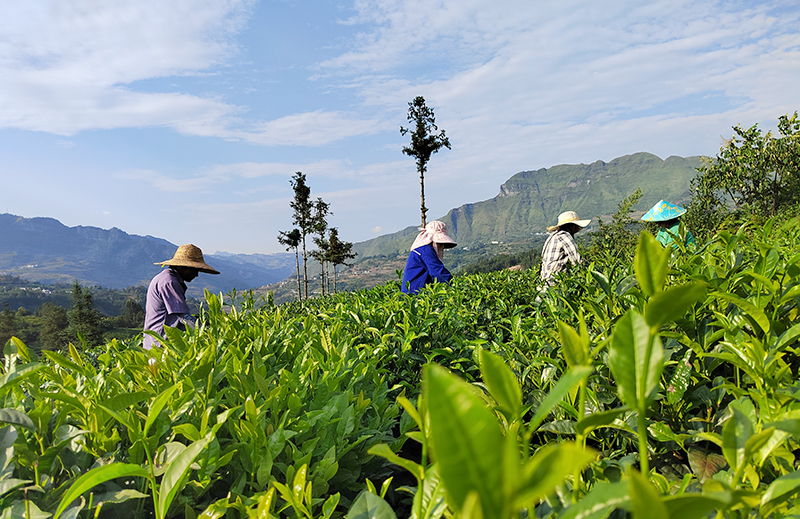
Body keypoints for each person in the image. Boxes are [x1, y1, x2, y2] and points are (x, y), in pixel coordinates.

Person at [143, 244, 220, 349]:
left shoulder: (166, 278)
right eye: (194, 270)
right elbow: (183, 317)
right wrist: (210, 333)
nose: (196, 275)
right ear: (183, 267)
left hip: (155, 343)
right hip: (160, 345)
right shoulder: (169, 282)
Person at [401, 221, 457, 294]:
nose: (441, 247)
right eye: (440, 244)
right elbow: (438, 272)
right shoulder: (425, 250)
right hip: (414, 295)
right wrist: (456, 287)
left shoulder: (422, 249)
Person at [540, 211, 591, 285]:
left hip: (545, 283)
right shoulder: (564, 236)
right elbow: (577, 260)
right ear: (572, 226)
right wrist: (593, 270)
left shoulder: (553, 236)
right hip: (555, 283)